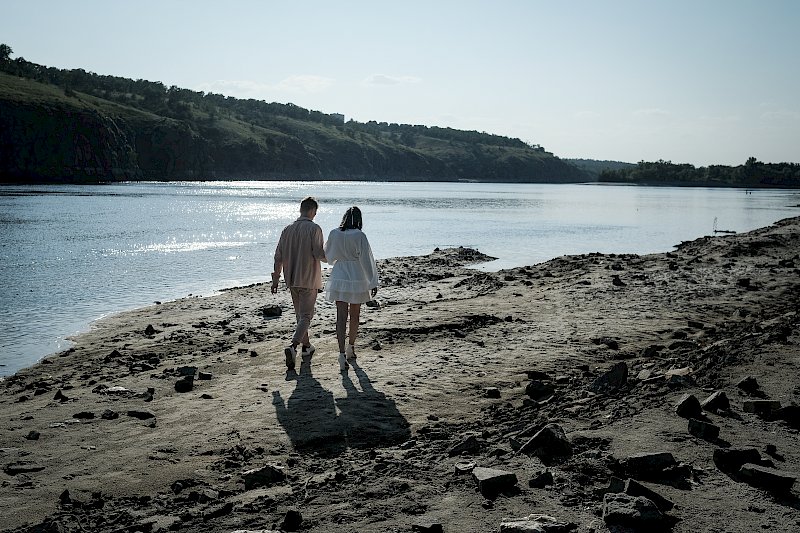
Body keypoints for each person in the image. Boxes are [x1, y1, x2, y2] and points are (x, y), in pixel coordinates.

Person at [271, 196, 326, 370]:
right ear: (312, 211)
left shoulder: (287, 229)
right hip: (308, 279)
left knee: (300, 316)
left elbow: (278, 256)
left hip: (292, 279)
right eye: (315, 212)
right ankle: (293, 346)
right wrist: (335, 257)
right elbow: (318, 254)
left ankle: (306, 347)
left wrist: (275, 279)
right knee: (306, 316)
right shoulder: (314, 228)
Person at [324, 206, 379, 372]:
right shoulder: (360, 235)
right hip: (357, 276)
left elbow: (328, 257)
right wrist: (372, 281)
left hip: (340, 275)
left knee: (341, 317)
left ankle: (341, 354)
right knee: (355, 315)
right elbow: (367, 259)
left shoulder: (334, 233)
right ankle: (350, 347)